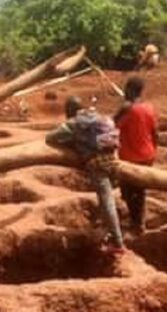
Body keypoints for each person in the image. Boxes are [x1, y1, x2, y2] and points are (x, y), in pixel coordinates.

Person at [46, 96, 124, 253]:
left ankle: (117, 242)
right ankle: (110, 232)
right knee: (106, 199)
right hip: (114, 160)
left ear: (69, 111)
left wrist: (71, 143)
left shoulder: (75, 122)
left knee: (106, 200)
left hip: (97, 164)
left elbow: (50, 138)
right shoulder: (98, 116)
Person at [115, 77, 158, 235]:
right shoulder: (149, 107)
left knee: (128, 191)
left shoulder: (127, 109)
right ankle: (138, 221)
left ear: (130, 90)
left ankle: (137, 223)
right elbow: (155, 132)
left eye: (127, 89)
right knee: (139, 190)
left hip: (130, 157)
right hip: (147, 155)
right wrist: (154, 151)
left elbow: (112, 125)